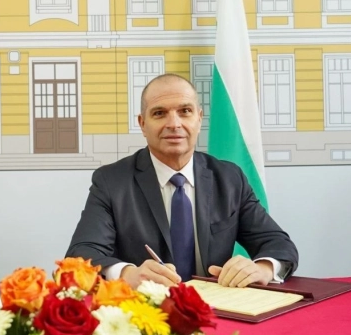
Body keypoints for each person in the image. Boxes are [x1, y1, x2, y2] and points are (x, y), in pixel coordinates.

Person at [66, 73, 298, 289]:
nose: (174, 124)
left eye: (185, 111)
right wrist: (127, 274)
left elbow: (278, 243)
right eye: (159, 113)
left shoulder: (229, 178)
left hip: (217, 308)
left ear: (199, 118)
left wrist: (262, 268)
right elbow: (81, 254)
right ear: (142, 124)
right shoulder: (111, 181)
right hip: (145, 309)